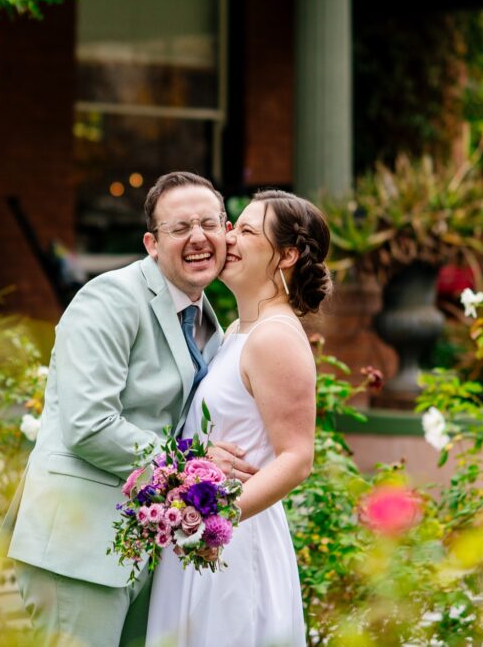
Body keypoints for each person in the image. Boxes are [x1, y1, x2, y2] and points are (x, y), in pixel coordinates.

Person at [0, 172, 260, 647]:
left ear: (226, 232)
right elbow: (89, 426)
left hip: (145, 548)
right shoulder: (110, 298)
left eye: (209, 223)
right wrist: (196, 466)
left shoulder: (208, 320)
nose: (198, 238)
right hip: (79, 548)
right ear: (152, 243)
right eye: (180, 228)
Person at [146, 190, 332, 647]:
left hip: (233, 544)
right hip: (202, 534)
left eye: (246, 231)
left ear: (286, 254)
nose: (228, 238)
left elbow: (296, 459)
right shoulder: (235, 331)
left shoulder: (276, 337)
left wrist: (213, 523)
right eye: (234, 225)